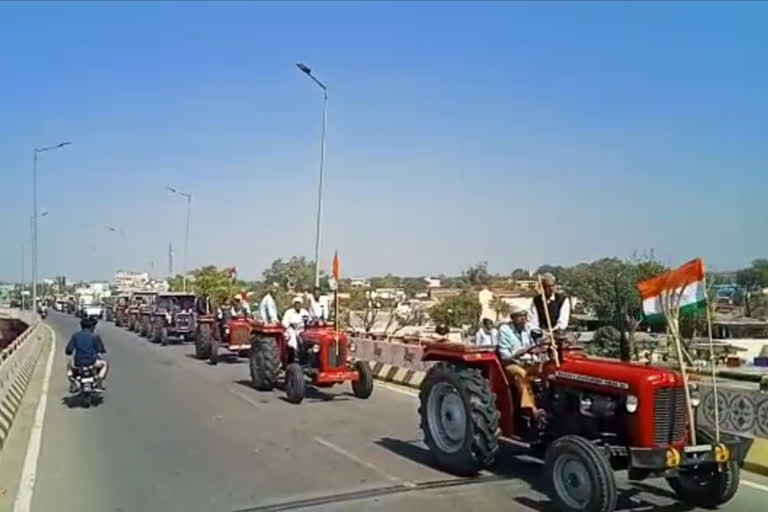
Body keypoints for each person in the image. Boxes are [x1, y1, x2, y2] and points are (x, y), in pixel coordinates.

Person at [498, 304, 537, 412]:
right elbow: (505, 355)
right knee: (521, 374)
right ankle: (531, 409)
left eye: (525, 315)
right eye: (520, 316)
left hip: (528, 362)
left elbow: (535, 344)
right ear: (512, 318)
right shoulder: (504, 330)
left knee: (545, 371)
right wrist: (521, 352)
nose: (523, 318)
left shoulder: (528, 328)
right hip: (510, 364)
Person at [65, 317, 107, 392]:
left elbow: (69, 350)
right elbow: (101, 349)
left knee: (69, 364)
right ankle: (99, 379)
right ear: (92, 327)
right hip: (92, 362)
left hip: (78, 362)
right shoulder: (95, 336)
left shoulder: (76, 336)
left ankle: (72, 379)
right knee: (105, 364)